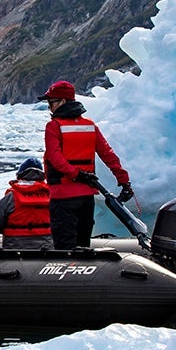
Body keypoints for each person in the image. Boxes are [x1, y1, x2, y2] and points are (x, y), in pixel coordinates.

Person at [40, 79, 131, 249]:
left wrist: (76, 174)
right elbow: (108, 154)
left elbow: (55, 158)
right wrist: (124, 180)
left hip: (62, 197)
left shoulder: (54, 126)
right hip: (86, 197)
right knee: (83, 245)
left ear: (63, 101)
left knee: (64, 248)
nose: (49, 107)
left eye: (51, 102)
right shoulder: (90, 125)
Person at [0, 157, 54, 249]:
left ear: (19, 176)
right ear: (43, 176)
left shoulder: (11, 198)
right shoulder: (52, 196)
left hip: (15, 252)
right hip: (47, 251)